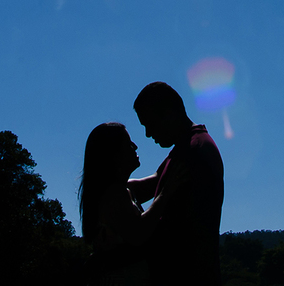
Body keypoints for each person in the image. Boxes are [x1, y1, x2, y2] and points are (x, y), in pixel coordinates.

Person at [127, 82, 224, 286]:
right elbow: (154, 183)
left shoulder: (194, 151)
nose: (147, 133)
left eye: (149, 124)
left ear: (169, 113)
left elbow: (185, 231)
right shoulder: (185, 149)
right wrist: (111, 185)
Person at [79, 122, 179, 286]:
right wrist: (165, 194)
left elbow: (157, 179)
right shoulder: (114, 196)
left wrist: (180, 147)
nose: (135, 146)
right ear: (113, 154)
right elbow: (139, 233)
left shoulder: (123, 190)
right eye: (127, 143)